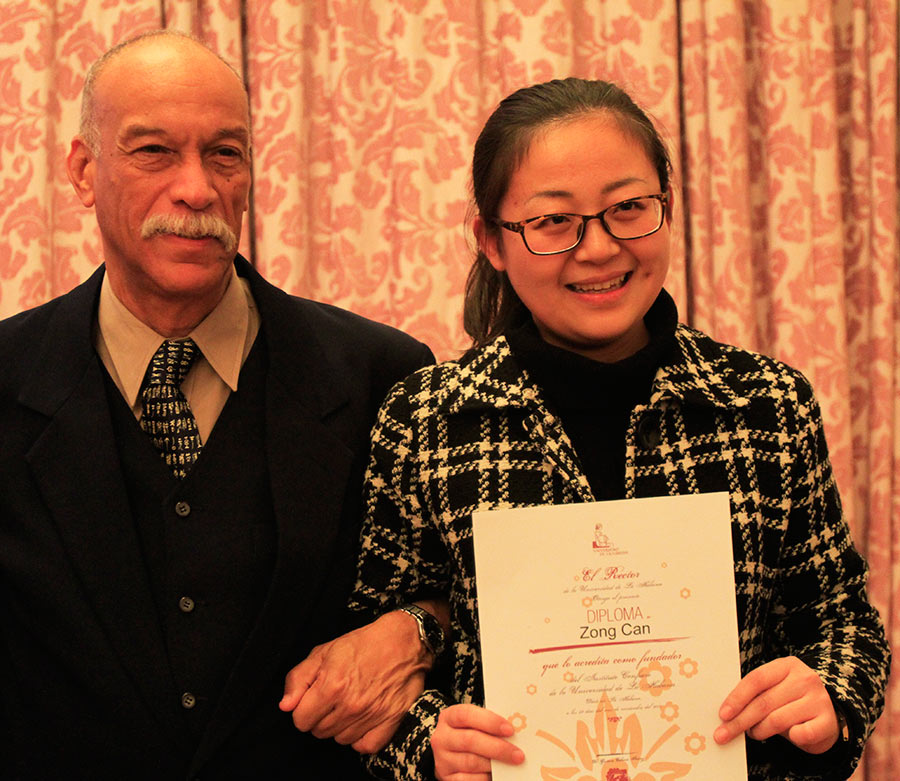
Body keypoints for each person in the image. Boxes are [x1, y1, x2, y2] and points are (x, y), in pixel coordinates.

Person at [341, 78, 891, 780]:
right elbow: (377, 652)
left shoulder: (765, 403)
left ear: (667, 206)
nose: (599, 248)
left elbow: (842, 618)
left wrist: (831, 699)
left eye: (629, 208)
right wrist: (428, 745)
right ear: (492, 241)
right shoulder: (425, 418)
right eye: (553, 222)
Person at [0, 30, 436, 779]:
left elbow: (465, 593)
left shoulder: (383, 377)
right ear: (81, 170)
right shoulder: (6, 380)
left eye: (224, 154)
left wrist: (423, 629)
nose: (197, 189)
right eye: (153, 152)